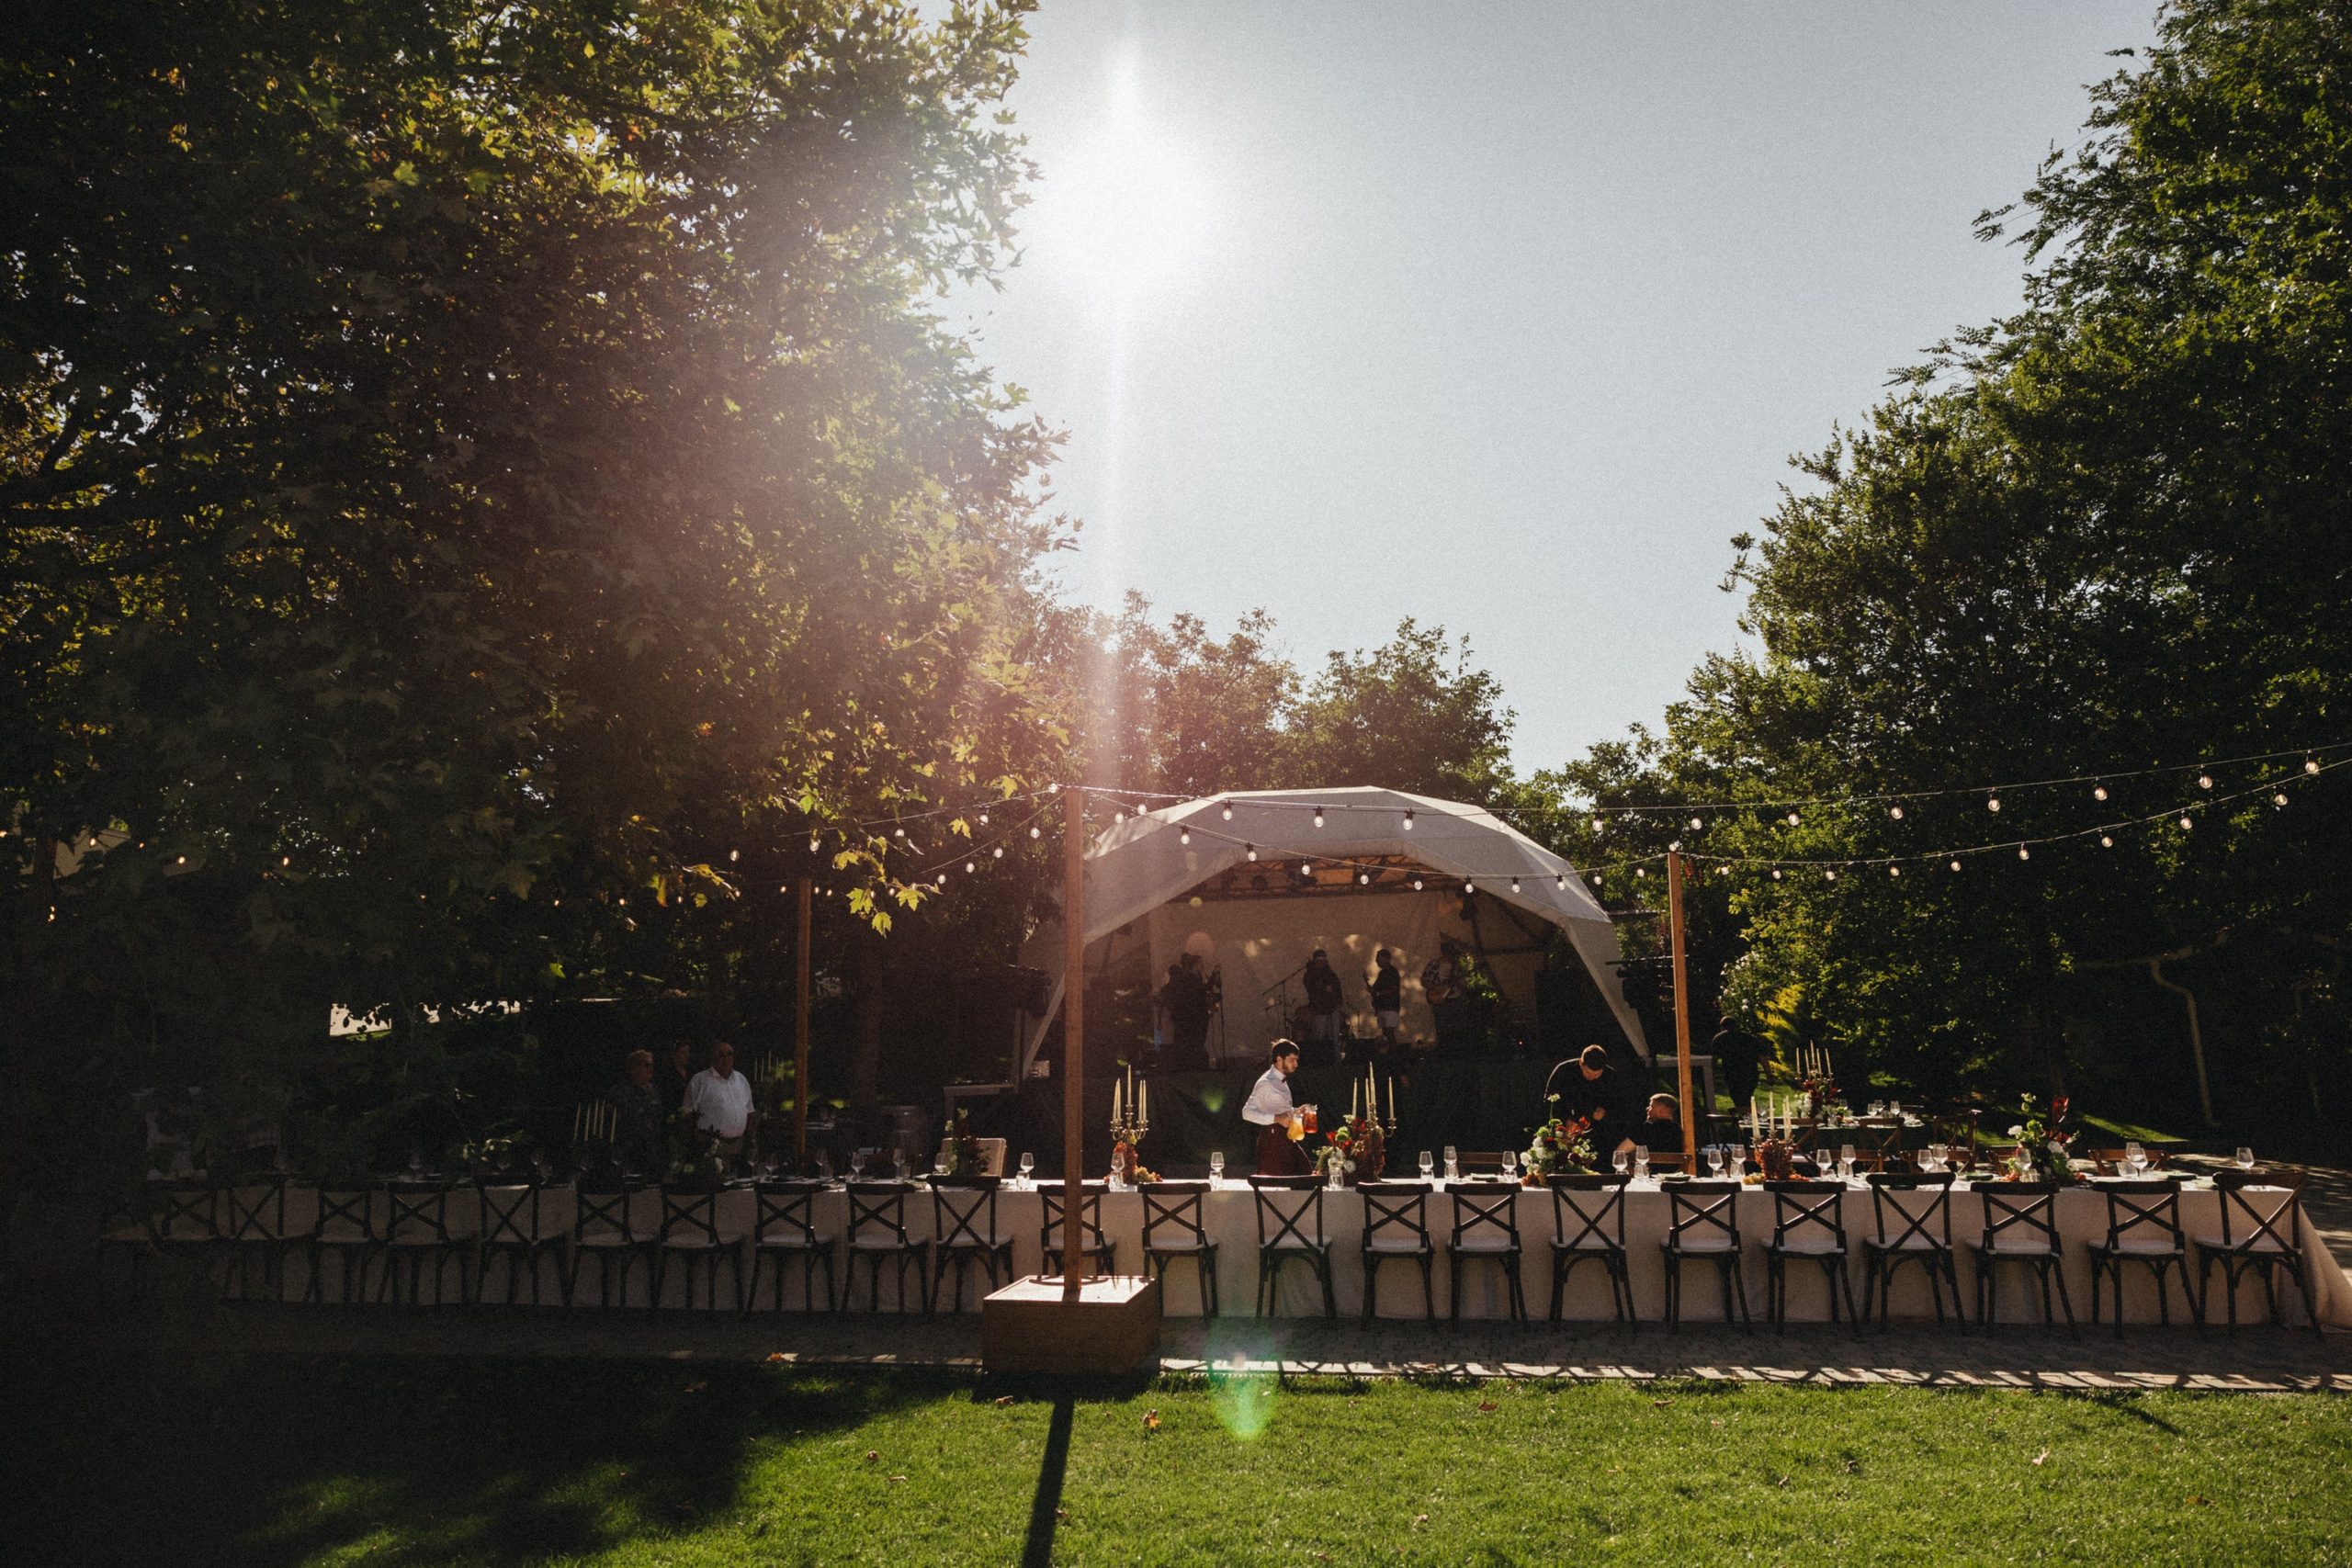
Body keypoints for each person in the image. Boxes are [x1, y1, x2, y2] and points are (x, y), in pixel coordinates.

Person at [1550, 1044, 1635, 1159]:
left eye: (1597, 1075)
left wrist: (1606, 1114)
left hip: (1600, 1136)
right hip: (1566, 1134)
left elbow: (1623, 1109)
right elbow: (1550, 1102)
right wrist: (1565, 1119)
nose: (1592, 1078)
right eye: (1588, 1073)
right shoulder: (1564, 1071)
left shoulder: (1611, 1077)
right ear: (1581, 1063)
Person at [683, 1039, 756, 1168]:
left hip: (738, 1146)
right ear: (713, 1057)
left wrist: (753, 1140)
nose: (726, 1059)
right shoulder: (700, 1080)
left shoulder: (741, 1080)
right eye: (721, 1055)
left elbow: (749, 1111)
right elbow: (687, 1114)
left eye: (729, 1054)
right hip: (711, 1146)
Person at [1242, 1039, 1308, 1176]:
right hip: (1272, 1141)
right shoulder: (1266, 1082)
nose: (1296, 1064)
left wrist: (1296, 1111)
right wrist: (1277, 1118)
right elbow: (1246, 1112)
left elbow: (1277, 1107)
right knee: (1276, 1187)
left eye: (1296, 1059)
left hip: (1286, 1138)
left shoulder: (1281, 1079)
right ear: (1279, 1059)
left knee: (1305, 1175)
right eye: (1292, 1060)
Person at [609, 1048, 668, 1173]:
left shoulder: (654, 1091)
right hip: (628, 1152)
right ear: (634, 1068)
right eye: (646, 1065)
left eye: (652, 1065)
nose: (650, 1069)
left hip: (652, 1151)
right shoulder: (620, 1091)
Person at [1422, 940, 1473, 1058]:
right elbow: (1424, 981)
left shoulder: (1457, 967)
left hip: (1455, 998)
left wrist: (1460, 983)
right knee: (1442, 1025)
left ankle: (1457, 1052)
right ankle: (1444, 1052)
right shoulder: (1433, 964)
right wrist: (1436, 988)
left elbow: (1464, 985)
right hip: (1440, 999)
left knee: (1457, 1025)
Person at [1165, 953, 1216, 1068]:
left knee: (1197, 1040)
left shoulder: (1196, 978)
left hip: (1198, 1014)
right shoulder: (1190, 978)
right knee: (1195, 1040)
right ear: (1196, 965)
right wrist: (1214, 974)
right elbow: (1203, 989)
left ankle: (1195, 1062)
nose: (1202, 966)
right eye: (1200, 964)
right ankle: (1195, 1064)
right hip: (1195, 1015)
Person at [1711, 1012, 1764, 1119]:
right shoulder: (1748, 1038)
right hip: (1750, 1073)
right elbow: (1762, 1056)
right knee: (1747, 1098)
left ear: (1722, 1027)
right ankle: (1749, 1119)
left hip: (1732, 1073)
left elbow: (1715, 1058)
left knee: (1738, 1099)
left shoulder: (1720, 1038)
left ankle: (1747, 1120)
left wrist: (1711, 1072)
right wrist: (1769, 1074)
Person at [1301, 949, 1345, 1059]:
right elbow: (1311, 989)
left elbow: (1337, 987)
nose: (1321, 961)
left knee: (1334, 1036)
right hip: (1319, 1009)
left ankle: (1335, 1060)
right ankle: (1319, 1060)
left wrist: (1339, 1003)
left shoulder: (1330, 973)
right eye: (1319, 959)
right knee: (1319, 1036)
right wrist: (1323, 988)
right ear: (1315, 960)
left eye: (1323, 959)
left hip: (1332, 1008)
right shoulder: (1309, 974)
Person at [1633, 1093, 1686, 1160]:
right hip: (1679, 1171)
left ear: (1661, 1111)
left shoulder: (1648, 1128)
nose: (1647, 1109)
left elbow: (1621, 1151)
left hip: (1648, 1170)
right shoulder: (1682, 1132)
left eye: (1651, 1106)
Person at [1369, 949, 1403, 1048]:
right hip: (1382, 1007)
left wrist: (1378, 993)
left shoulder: (1392, 972)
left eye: (1378, 958)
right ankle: (1388, 1054)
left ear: (1385, 958)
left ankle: (1395, 1054)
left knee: (1389, 1031)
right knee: (1385, 1032)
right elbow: (1375, 989)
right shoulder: (1382, 973)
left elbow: (1392, 989)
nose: (1376, 961)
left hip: (1391, 1006)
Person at [655, 1038, 695, 1118]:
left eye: (688, 1052)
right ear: (674, 1055)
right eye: (683, 1053)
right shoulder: (668, 1075)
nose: (687, 1055)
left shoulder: (692, 1073)